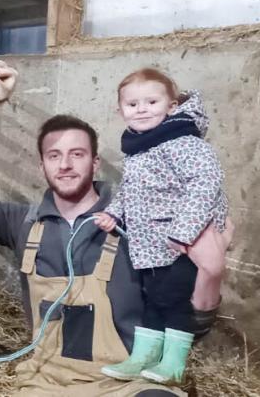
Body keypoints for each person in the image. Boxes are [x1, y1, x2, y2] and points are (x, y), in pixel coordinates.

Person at [0, 114, 230, 396]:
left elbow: (191, 326)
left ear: (95, 162)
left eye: (77, 154)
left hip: (128, 384)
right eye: (54, 156)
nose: (65, 165)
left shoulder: (140, 223)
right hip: (45, 382)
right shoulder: (23, 223)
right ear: (41, 166)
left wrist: (211, 276)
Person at [94, 69, 229, 385]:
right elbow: (131, 190)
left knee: (174, 299)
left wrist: (185, 230)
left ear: (171, 106)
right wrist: (114, 214)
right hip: (149, 244)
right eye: (132, 104)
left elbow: (207, 182)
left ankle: (173, 363)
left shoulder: (182, 142)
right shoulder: (140, 147)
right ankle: (143, 357)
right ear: (120, 110)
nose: (141, 109)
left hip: (179, 244)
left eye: (151, 101)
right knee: (152, 298)